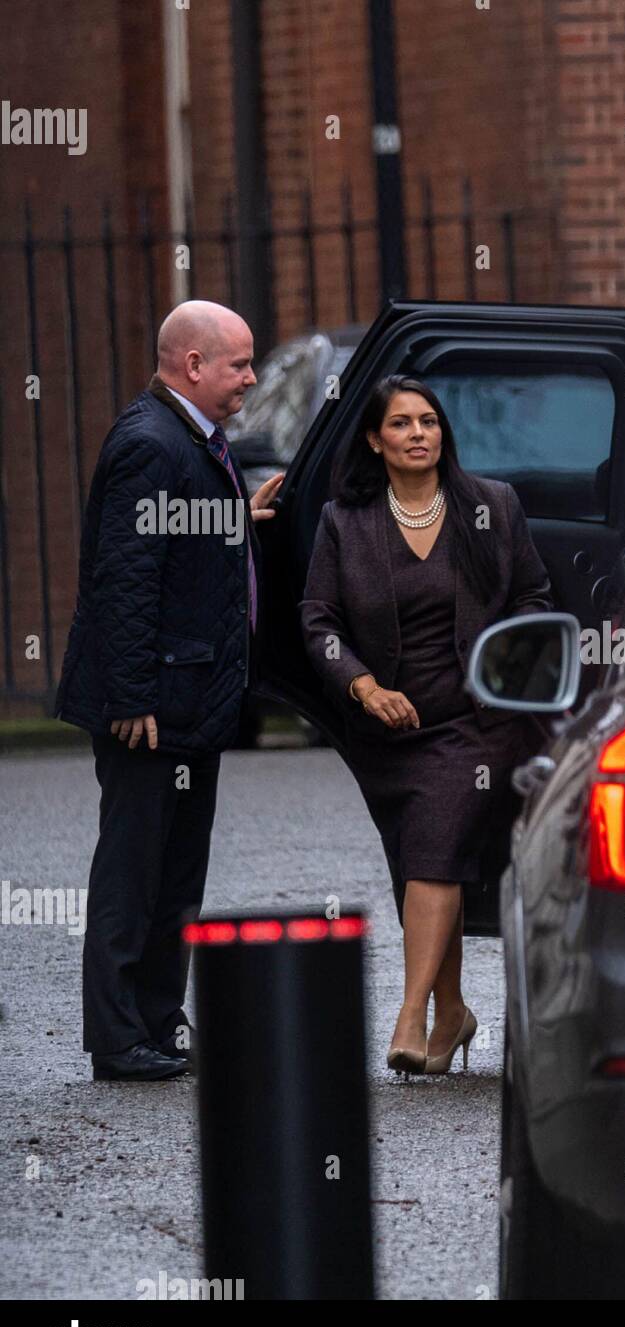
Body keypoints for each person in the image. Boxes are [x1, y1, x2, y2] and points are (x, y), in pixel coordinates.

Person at [55, 300, 284, 1081]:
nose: (251, 378)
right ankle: (118, 1037)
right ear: (193, 365)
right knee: (134, 869)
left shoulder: (186, 438)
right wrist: (129, 699)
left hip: (191, 700)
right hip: (150, 706)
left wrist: (239, 515)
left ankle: (157, 1020)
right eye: (239, 364)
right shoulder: (150, 444)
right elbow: (125, 579)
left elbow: (172, 541)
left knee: (178, 870)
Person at [300, 375, 551, 1076]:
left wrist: (505, 661)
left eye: (429, 422)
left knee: (434, 849)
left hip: (479, 724)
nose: (418, 434)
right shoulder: (344, 523)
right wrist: (362, 684)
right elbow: (316, 619)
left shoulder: (492, 507)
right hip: (388, 727)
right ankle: (454, 1013)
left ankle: (411, 1016)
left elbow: (533, 595)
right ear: (375, 441)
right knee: (416, 864)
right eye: (402, 424)